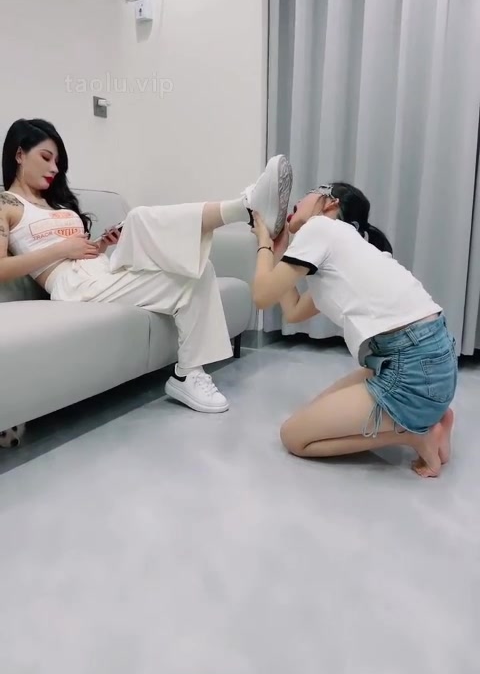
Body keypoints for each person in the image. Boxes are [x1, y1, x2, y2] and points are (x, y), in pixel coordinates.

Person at [0, 118, 293, 413]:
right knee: (144, 221)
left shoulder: (58, 205)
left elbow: (81, 251)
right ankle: (245, 207)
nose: (54, 168)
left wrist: (102, 244)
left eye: (57, 162)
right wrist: (61, 249)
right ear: (19, 154)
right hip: (72, 285)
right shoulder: (6, 203)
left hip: (102, 269)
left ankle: (188, 373)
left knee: (189, 262)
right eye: (46, 158)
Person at [251, 183, 457, 478]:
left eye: (311, 191)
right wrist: (280, 252)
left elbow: (261, 297)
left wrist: (263, 243)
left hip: (411, 370)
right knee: (314, 414)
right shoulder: (346, 252)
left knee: (294, 437)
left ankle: (414, 434)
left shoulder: (320, 228)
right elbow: (293, 311)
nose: (300, 199)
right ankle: (432, 416)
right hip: (432, 363)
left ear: (331, 203)